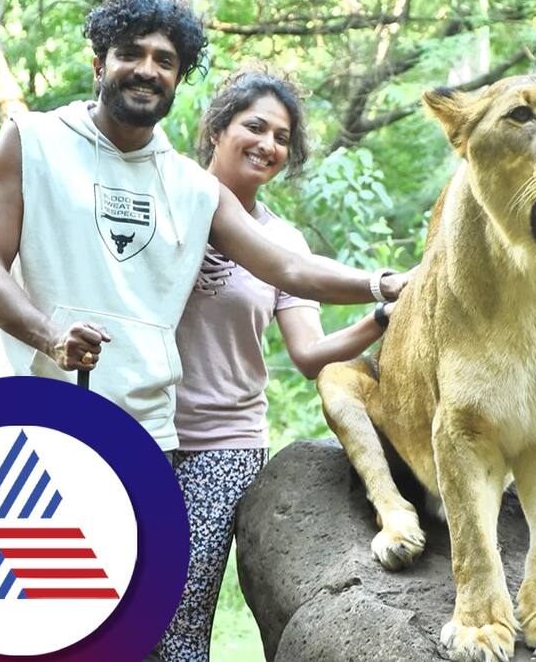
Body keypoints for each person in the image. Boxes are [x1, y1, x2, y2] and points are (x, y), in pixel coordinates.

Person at [0, 0, 408, 450]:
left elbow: (289, 268)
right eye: (130, 53)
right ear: (99, 65)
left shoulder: (194, 188)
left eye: (164, 61)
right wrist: (52, 337)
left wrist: (386, 284)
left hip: (147, 435)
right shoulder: (31, 141)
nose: (146, 70)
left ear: (178, 79)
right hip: (34, 413)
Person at [154, 70, 394, 661]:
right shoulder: (160, 203)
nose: (268, 144)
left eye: (282, 137)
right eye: (254, 126)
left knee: (180, 619)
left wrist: (380, 319)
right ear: (216, 129)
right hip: (138, 430)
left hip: (223, 446)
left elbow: (309, 354)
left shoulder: (283, 241)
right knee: (112, 604)